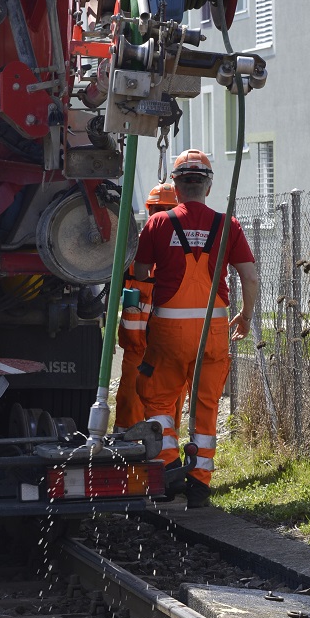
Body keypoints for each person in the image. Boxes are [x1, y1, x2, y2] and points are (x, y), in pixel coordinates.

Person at [132, 148, 259, 508]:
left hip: (169, 333)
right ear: (208, 185)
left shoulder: (158, 224)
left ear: (176, 185)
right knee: (206, 404)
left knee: (158, 397)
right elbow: (249, 276)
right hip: (214, 332)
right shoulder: (228, 225)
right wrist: (246, 317)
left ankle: (169, 464)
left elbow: (140, 273)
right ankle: (200, 483)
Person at [114, 182, 178, 429]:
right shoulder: (130, 249)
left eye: (167, 210)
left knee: (166, 410)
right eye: (157, 209)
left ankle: (163, 456)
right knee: (129, 403)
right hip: (137, 348)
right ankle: (122, 452)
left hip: (169, 349)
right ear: (149, 211)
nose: (161, 215)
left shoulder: (182, 253)